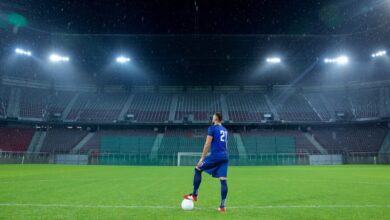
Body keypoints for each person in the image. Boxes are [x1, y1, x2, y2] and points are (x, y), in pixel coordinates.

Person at [183, 112, 229, 212]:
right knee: (223, 180)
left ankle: (194, 195)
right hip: (225, 156)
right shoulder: (225, 130)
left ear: (216, 118)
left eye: (213, 117)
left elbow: (207, 144)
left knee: (198, 168)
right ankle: (222, 206)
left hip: (216, 156)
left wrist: (202, 158)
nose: (212, 118)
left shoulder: (212, 128)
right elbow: (226, 145)